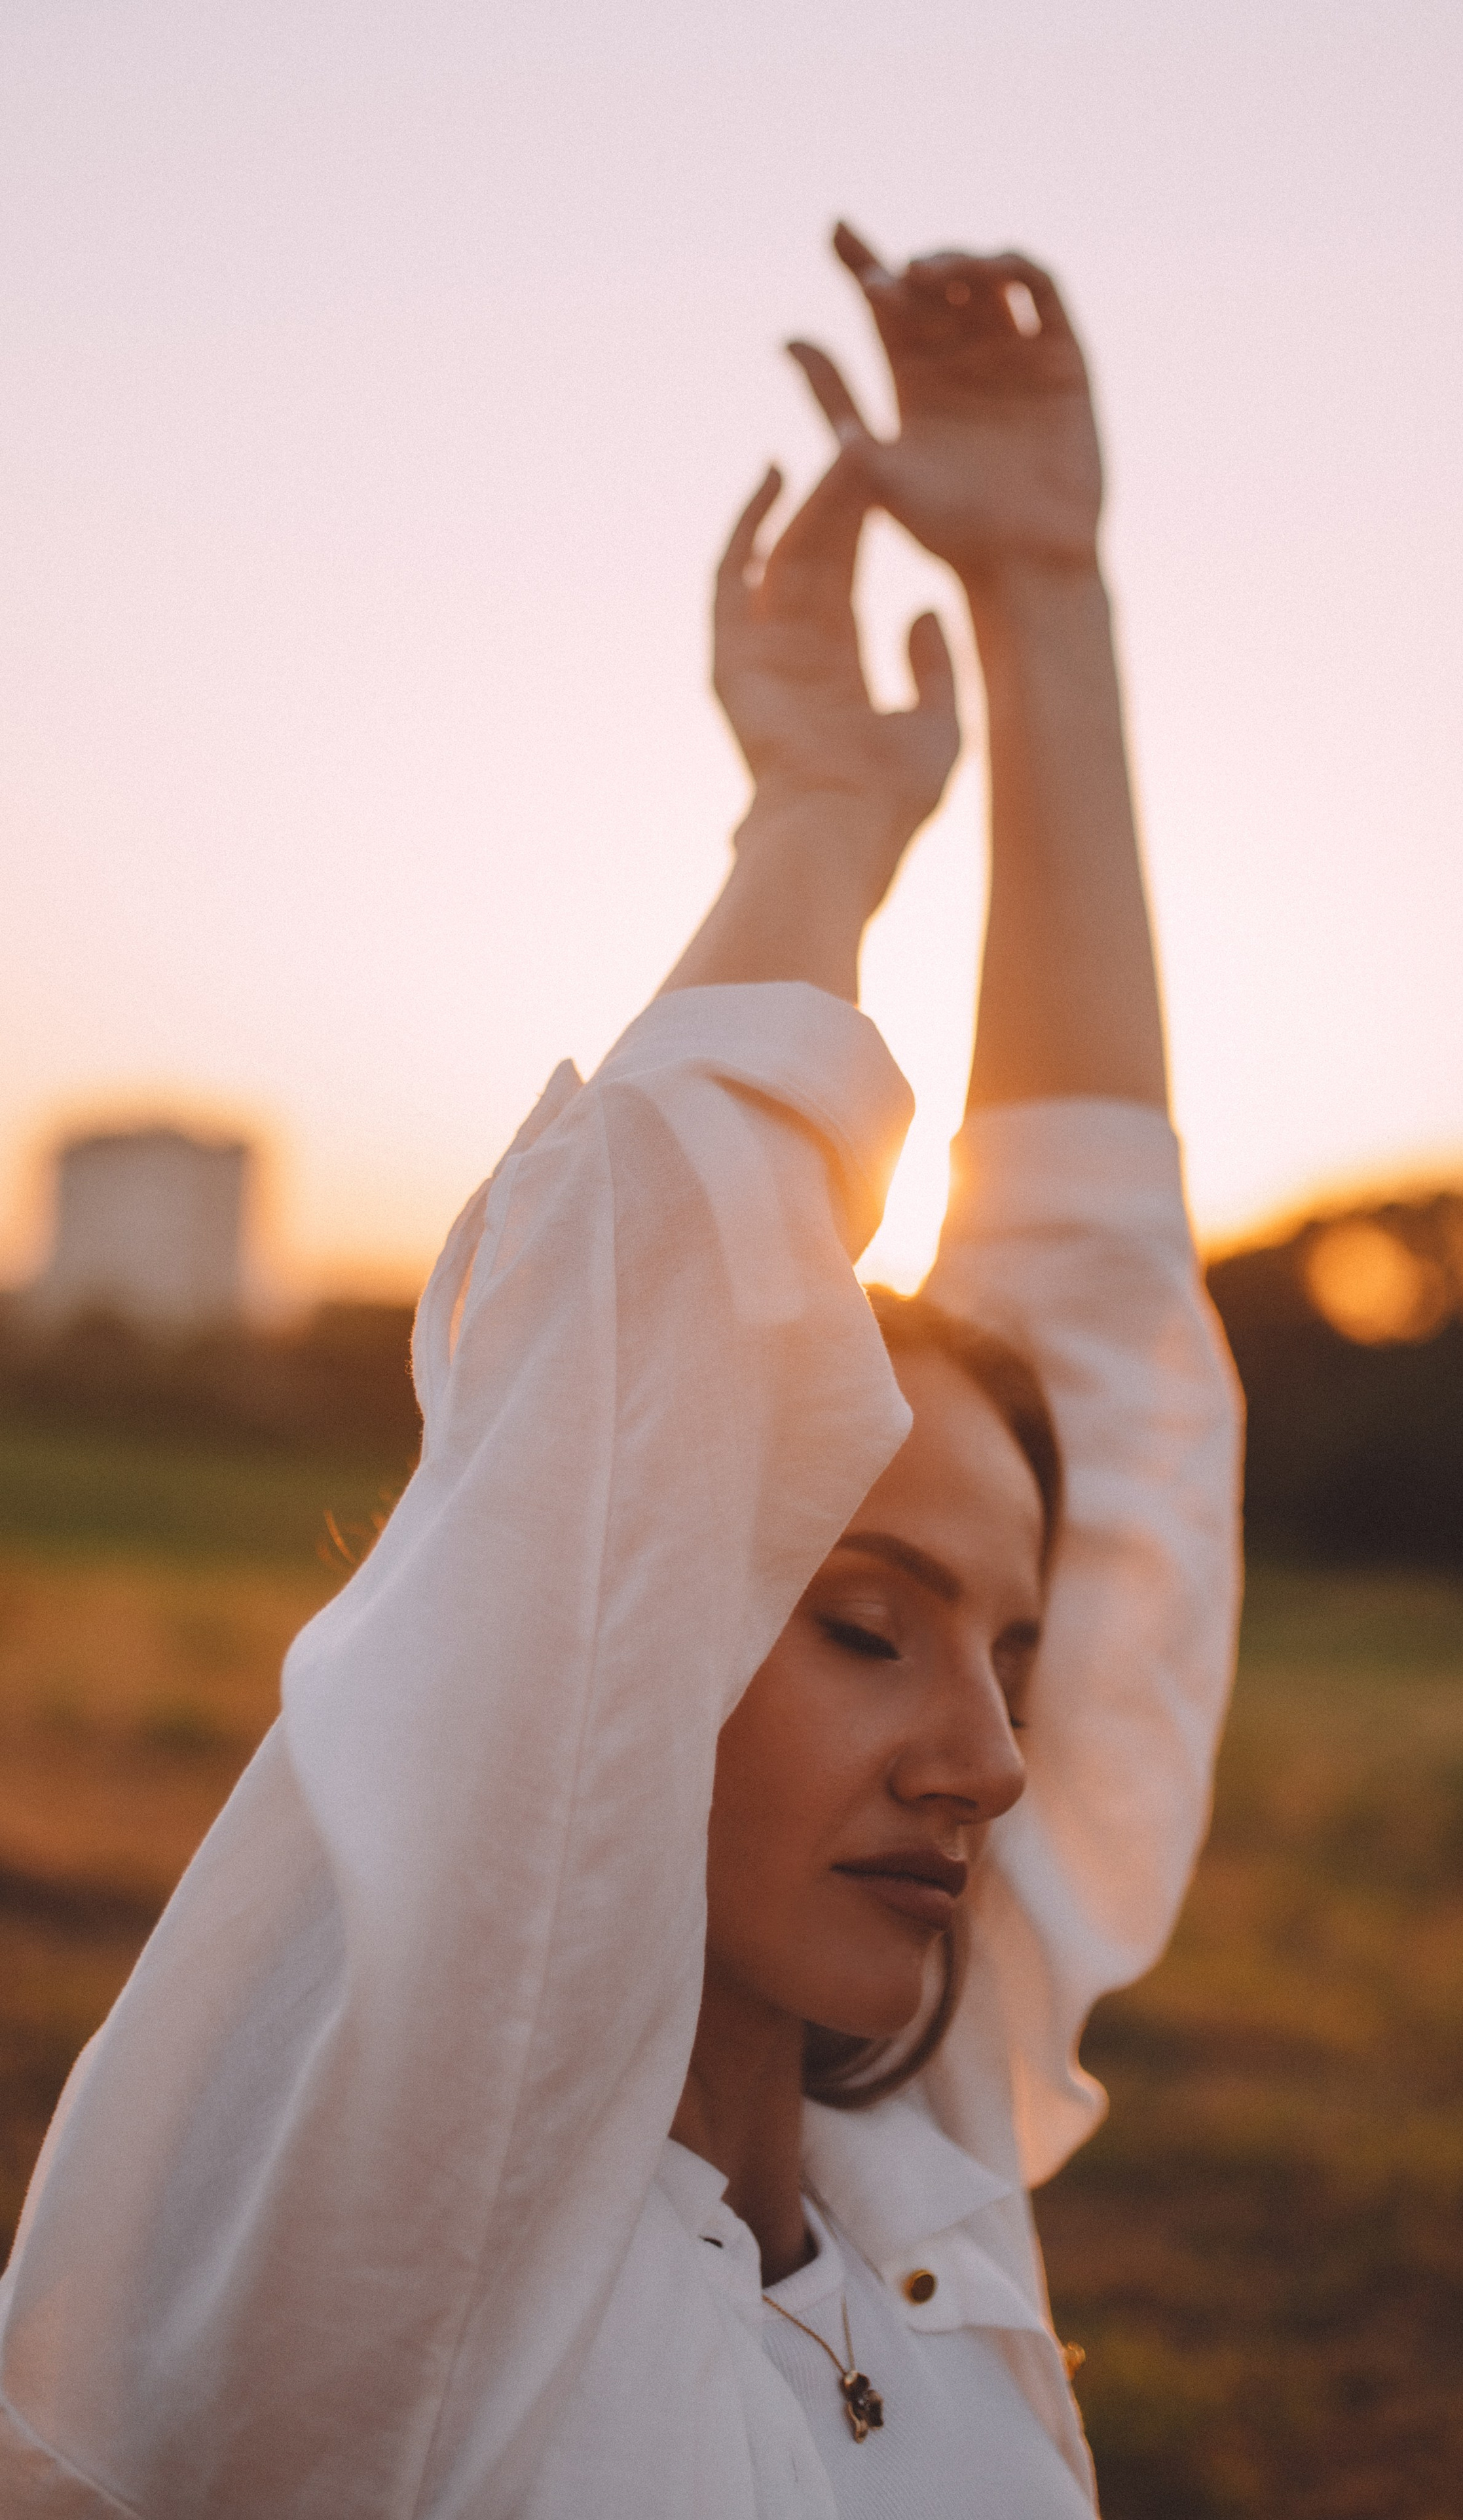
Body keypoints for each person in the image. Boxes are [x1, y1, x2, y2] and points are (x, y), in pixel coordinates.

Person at [0, 227, 1242, 2518]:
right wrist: (823, 827)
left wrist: (1044, 600)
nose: (984, 1758)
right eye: (865, 1624)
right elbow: (629, 1350)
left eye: (1015, 1654)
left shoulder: (918, 2185)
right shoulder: (379, 2262)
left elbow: (1106, 1324)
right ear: (609, 1636)